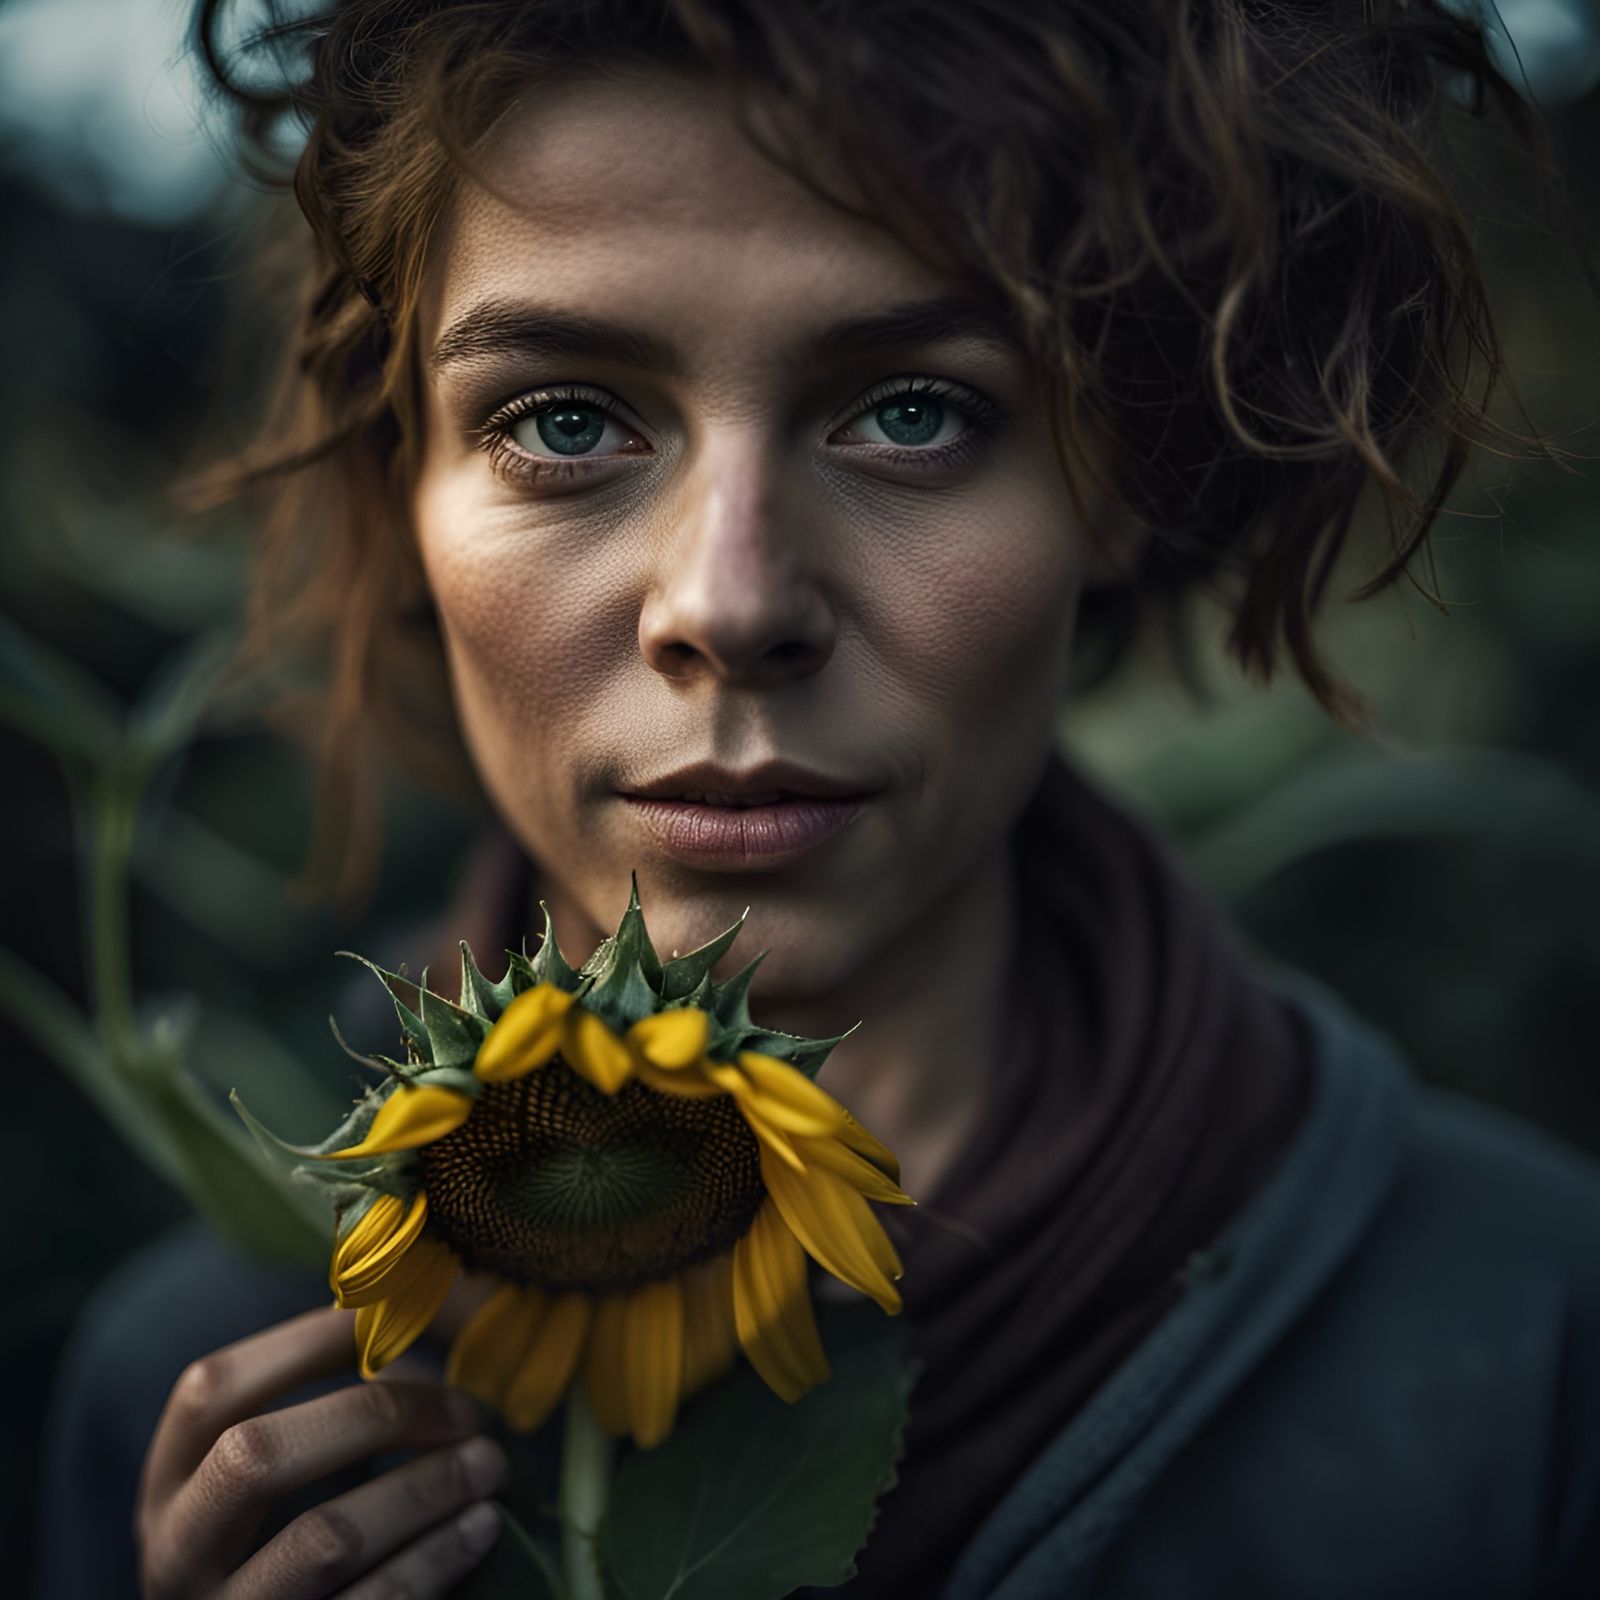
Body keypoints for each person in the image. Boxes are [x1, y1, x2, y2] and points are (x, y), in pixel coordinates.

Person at [34, 1, 1600, 1595]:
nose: (728, 602)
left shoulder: (1526, 1350)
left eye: (914, 410)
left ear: (1116, 479)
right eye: (564, 419)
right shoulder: (222, 1415)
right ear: (407, 486)